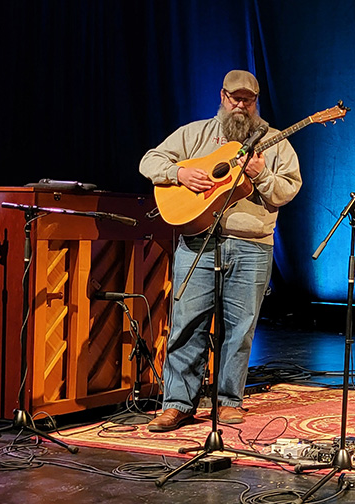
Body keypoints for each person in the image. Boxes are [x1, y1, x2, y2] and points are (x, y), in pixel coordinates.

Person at [139, 70, 302, 430]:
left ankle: (229, 400)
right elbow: (149, 161)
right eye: (234, 98)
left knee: (240, 329)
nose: (240, 106)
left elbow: (287, 191)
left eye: (248, 100)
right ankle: (178, 402)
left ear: (256, 102)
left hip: (252, 246)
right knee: (186, 323)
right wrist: (178, 174)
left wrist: (260, 175)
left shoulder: (273, 142)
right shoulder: (194, 134)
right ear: (222, 97)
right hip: (199, 240)